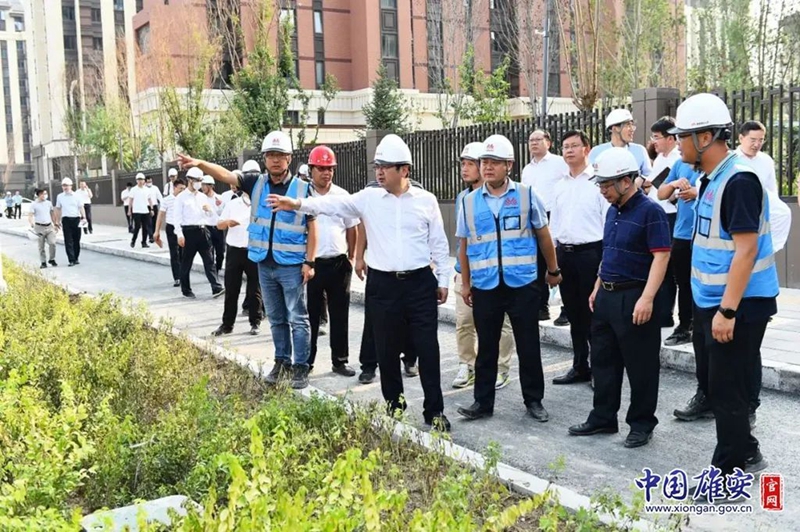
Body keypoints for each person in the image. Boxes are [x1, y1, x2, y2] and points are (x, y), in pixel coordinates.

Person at [267, 134, 452, 431]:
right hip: (382, 286)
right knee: (386, 350)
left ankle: (435, 411)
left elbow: (439, 244)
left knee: (428, 349)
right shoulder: (368, 198)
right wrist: (297, 203)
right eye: (377, 166)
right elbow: (332, 205)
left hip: (419, 284)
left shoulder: (426, 201)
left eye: (385, 167)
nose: (379, 172)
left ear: (404, 169)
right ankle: (395, 409)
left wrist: (442, 279)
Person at [669, 95, 778, 479]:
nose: (677, 144)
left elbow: (746, 250)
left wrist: (727, 311)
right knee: (721, 386)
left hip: (739, 304)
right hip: (714, 300)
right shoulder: (713, 178)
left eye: (681, 137)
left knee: (727, 390)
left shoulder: (739, 180)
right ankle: (747, 452)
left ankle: (728, 473)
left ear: (705, 137)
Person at [178, 130, 317, 391]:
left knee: (298, 317)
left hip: (291, 265)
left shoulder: (302, 188)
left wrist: (309, 262)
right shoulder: (256, 183)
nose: (275, 160)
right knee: (275, 318)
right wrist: (200, 163)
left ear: (289, 158)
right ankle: (282, 362)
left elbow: (312, 226)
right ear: (265, 158)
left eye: (280, 155)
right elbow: (225, 175)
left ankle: (301, 367)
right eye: (271, 155)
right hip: (264, 263)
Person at [568, 148, 670, 449]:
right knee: (603, 361)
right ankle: (603, 417)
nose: (602, 190)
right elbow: (609, 251)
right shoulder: (613, 210)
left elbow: (661, 257)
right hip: (607, 297)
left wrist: (647, 298)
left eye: (606, 184)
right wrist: (598, 285)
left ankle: (641, 423)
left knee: (641, 366)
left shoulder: (651, 212)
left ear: (626, 181)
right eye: (600, 184)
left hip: (635, 296)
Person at [456, 134, 561, 423]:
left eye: (495, 162)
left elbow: (543, 235)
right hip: (485, 285)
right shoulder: (469, 202)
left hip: (522, 284)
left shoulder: (526, 195)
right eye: (484, 162)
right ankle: (482, 402)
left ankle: (534, 400)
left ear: (509, 165)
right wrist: (465, 283)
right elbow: (464, 245)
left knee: (529, 346)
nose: (488, 167)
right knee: (486, 348)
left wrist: (553, 271)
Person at [452, 141, 516, 390]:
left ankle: (501, 367)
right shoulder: (463, 198)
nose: (465, 169)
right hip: (466, 271)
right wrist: (461, 274)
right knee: (464, 321)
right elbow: (462, 240)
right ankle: (467, 364)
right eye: (463, 164)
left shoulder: (505, 197)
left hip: (495, 273)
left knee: (501, 325)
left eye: (471, 164)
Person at [549, 131, 609, 386]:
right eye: (565, 147)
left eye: (574, 146)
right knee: (574, 314)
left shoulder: (598, 182)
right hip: (565, 254)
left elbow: (607, 223)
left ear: (587, 149)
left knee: (594, 313)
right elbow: (553, 225)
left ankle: (599, 369)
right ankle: (579, 365)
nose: (569, 151)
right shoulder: (559, 185)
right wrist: (552, 262)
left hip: (591, 254)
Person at [304, 145, 359, 377]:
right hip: (312, 265)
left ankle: (340, 361)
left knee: (339, 314)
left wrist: (352, 258)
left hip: (338, 263)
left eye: (330, 169)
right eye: (321, 168)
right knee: (310, 316)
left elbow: (352, 228)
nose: (326, 173)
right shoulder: (303, 195)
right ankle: (306, 361)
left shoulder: (342, 196)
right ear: (311, 169)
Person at [521, 129, 570, 324]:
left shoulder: (559, 163)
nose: (533, 143)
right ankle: (542, 306)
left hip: (555, 215)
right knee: (537, 262)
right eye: (531, 140)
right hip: (533, 217)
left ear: (548, 143)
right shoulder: (527, 169)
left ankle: (566, 308)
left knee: (558, 260)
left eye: (538, 139)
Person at [212, 164, 264, 337]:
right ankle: (227, 324)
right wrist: (228, 223)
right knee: (231, 288)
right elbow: (219, 224)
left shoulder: (262, 204)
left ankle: (255, 322)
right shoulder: (233, 204)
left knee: (255, 289)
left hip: (254, 250)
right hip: (234, 250)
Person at [658, 159, 701, 347]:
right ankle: (685, 326)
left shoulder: (715, 163)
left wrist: (697, 192)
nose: (680, 147)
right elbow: (661, 194)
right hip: (681, 233)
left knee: (703, 283)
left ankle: (701, 325)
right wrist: (674, 184)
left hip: (704, 235)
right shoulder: (679, 164)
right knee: (683, 283)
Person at [647, 117, 682, 329]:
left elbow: (673, 194)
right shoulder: (660, 158)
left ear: (670, 138)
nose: (654, 142)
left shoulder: (678, 159)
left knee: (668, 267)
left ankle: (666, 314)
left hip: (671, 216)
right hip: (657, 215)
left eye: (657, 137)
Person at [173, 167, 225, 299]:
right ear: (189, 180)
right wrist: (179, 234)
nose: (199, 183)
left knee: (209, 260)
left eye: (200, 181)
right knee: (186, 262)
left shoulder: (202, 197)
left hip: (203, 231)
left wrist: (210, 210)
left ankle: (216, 287)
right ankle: (186, 290)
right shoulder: (181, 198)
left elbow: (211, 216)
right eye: (197, 180)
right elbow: (176, 218)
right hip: (188, 232)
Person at [589, 108, 652, 179]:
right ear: (614, 128)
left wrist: (642, 179)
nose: (632, 129)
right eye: (628, 125)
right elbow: (590, 177)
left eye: (632, 125)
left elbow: (649, 176)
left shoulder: (639, 150)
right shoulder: (597, 152)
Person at [154, 177, 187, 287]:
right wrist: (157, 231)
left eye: (184, 189)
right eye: (180, 188)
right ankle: (177, 277)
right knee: (174, 253)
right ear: (174, 188)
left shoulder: (186, 199)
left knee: (184, 253)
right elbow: (160, 216)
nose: (182, 191)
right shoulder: (167, 200)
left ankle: (184, 276)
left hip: (183, 228)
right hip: (172, 228)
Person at [53, 177, 86, 266]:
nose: (65, 187)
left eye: (67, 185)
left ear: (71, 186)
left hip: (76, 219)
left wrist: (84, 217)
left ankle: (76, 258)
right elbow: (58, 209)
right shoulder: (60, 196)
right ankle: (71, 259)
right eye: (63, 186)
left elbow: (81, 207)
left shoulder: (77, 196)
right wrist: (57, 221)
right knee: (68, 240)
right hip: (66, 219)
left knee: (76, 239)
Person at [200, 175, 226, 272]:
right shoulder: (201, 198)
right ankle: (212, 272)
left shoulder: (219, 198)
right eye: (202, 185)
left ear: (210, 186)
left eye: (204, 185)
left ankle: (217, 269)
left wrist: (215, 209)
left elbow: (222, 213)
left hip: (218, 228)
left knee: (220, 252)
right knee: (209, 252)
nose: (202, 187)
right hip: (206, 228)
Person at [29, 188, 58, 268]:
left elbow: (52, 213)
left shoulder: (48, 203)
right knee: (41, 246)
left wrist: (55, 223)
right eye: (43, 194)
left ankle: (52, 259)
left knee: (52, 243)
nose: (44, 195)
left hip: (49, 226)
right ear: (39, 195)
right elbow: (30, 215)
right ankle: (43, 262)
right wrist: (31, 223)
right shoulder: (34, 204)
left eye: (45, 194)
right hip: (39, 227)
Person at [128, 173, 154, 248]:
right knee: (137, 227)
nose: (140, 181)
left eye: (141, 179)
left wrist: (152, 209)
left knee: (145, 227)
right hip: (136, 211)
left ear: (144, 181)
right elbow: (130, 200)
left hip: (145, 211)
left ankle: (144, 242)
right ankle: (133, 241)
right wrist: (129, 210)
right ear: (136, 181)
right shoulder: (133, 189)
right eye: (138, 180)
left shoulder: (147, 190)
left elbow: (150, 200)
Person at [146, 176, 163, 241]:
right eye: (148, 182)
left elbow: (160, 197)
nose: (149, 183)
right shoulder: (144, 189)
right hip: (147, 207)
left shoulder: (155, 188)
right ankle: (150, 236)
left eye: (150, 181)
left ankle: (154, 235)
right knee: (149, 222)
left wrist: (162, 205)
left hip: (155, 206)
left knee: (155, 221)